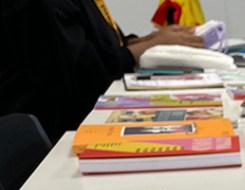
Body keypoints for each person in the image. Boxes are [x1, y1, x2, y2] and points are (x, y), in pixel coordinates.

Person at [1, 0, 203, 142]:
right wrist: (144, 49)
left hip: (84, 120)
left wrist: (151, 40)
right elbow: (82, 72)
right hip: (54, 135)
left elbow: (103, 45)